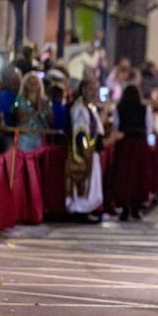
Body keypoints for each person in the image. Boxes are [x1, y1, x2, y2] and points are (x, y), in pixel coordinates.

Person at [66, 78, 104, 221]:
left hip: (91, 150)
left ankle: (88, 209)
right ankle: (79, 210)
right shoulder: (79, 108)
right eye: (90, 89)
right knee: (82, 180)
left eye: (95, 89)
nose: (93, 93)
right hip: (82, 152)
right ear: (83, 90)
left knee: (91, 182)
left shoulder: (90, 107)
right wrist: (85, 149)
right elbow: (79, 131)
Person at [113, 85, 152, 220]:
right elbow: (149, 127)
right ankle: (136, 207)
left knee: (124, 176)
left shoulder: (119, 108)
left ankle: (124, 207)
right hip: (140, 144)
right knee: (138, 175)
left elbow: (116, 126)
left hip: (125, 145)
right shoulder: (144, 109)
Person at [13, 72, 53, 151]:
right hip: (25, 137)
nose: (33, 85)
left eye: (35, 82)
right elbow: (20, 118)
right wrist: (36, 112)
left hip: (40, 137)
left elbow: (50, 121)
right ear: (25, 84)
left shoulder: (45, 101)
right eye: (30, 82)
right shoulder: (19, 100)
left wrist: (47, 110)